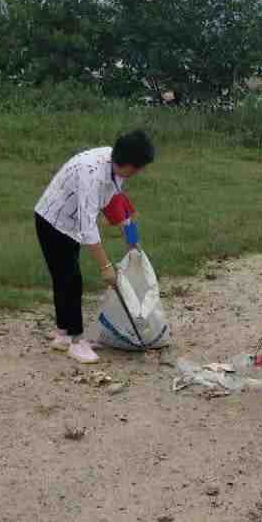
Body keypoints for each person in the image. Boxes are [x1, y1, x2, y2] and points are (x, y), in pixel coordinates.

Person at [34, 131, 155, 364]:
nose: (139, 172)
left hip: (70, 221)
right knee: (69, 279)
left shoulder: (115, 168)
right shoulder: (91, 174)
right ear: (129, 164)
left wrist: (132, 241)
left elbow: (117, 204)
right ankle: (76, 342)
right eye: (138, 168)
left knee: (64, 277)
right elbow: (87, 227)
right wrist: (105, 267)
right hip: (52, 221)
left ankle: (63, 335)